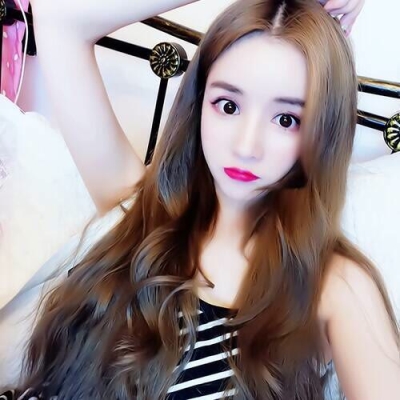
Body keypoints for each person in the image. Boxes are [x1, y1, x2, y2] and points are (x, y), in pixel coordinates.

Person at [3, 0, 399, 398]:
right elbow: (58, 19)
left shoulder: (334, 286)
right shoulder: (143, 212)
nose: (246, 146)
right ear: (199, 103)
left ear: (324, 130)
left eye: (286, 120)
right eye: (228, 106)